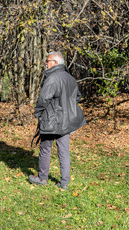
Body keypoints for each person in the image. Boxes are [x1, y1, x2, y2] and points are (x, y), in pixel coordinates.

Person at [28, 52, 86, 190]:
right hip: (67, 121)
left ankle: (42, 178)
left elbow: (44, 99)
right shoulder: (70, 78)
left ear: (55, 62)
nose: (45, 64)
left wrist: (38, 113)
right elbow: (77, 96)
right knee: (64, 151)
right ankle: (64, 182)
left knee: (45, 149)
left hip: (51, 120)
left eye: (47, 61)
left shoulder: (52, 78)